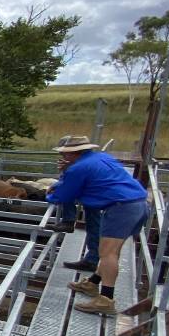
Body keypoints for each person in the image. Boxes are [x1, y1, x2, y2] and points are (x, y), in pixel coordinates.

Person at [49, 135, 148, 315]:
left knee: (108, 253)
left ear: (73, 153)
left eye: (64, 153)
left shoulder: (78, 167)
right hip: (137, 203)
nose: (63, 156)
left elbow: (63, 196)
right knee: (111, 250)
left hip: (121, 207)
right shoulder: (102, 157)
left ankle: (106, 300)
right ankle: (93, 283)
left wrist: (48, 195)